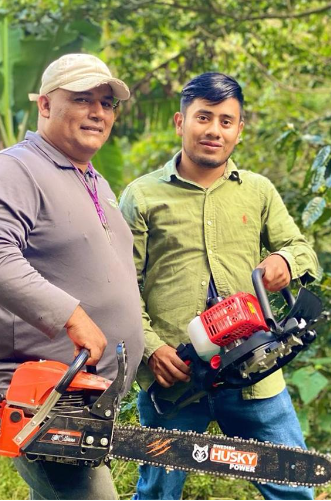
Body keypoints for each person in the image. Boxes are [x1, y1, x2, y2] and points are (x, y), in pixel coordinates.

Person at [119, 72, 320, 500]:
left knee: (296, 485)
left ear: (239, 130)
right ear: (180, 122)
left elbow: (301, 248)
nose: (214, 130)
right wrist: (152, 349)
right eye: (204, 117)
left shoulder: (258, 191)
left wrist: (285, 261)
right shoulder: (142, 196)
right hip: (174, 375)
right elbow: (120, 287)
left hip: (254, 369)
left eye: (226, 121)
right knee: (157, 494)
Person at [0, 53, 145, 500]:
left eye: (107, 103)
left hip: (84, 395)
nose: (98, 112)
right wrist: (71, 316)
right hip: (41, 395)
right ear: (44, 105)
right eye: (82, 99)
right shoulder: (14, 169)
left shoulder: (96, 181)